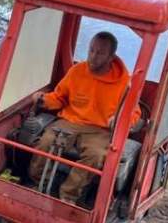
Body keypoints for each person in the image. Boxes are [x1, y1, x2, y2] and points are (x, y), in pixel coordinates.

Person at [28, 31, 140, 205]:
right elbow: (59, 97)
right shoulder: (77, 71)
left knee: (95, 156)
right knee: (46, 142)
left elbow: (134, 113)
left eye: (100, 53)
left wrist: (118, 120)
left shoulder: (124, 82)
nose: (93, 56)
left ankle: (68, 196)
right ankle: (38, 185)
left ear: (111, 57)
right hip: (69, 121)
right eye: (91, 50)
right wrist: (43, 100)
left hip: (99, 130)